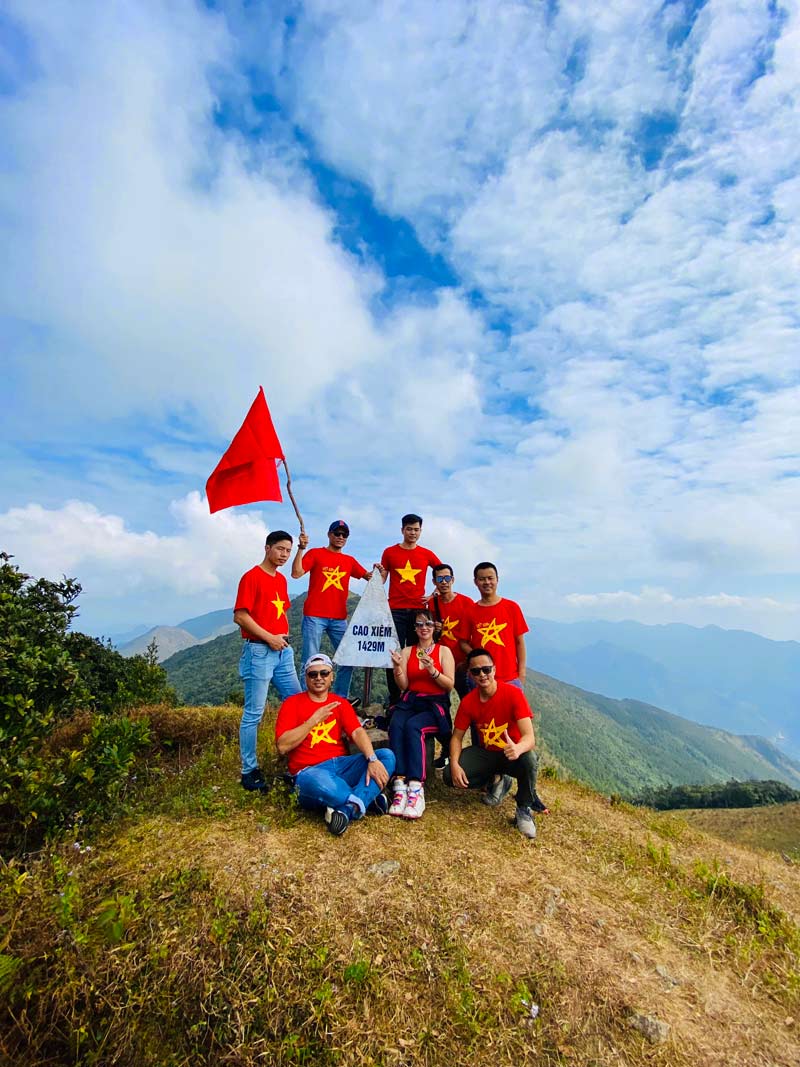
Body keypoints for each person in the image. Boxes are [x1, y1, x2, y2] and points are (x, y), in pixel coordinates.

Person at [275, 654, 395, 836]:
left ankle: (348, 809)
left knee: (386, 756)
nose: (318, 678)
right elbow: (283, 746)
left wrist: (372, 759)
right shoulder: (292, 704)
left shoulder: (340, 704)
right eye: (313, 674)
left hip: (341, 766)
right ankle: (365, 800)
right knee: (317, 782)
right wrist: (313, 721)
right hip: (309, 771)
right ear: (306, 678)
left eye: (324, 673)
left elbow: (357, 732)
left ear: (332, 677)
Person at [444, 649, 546, 840]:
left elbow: (530, 738)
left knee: (529, 759)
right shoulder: (468, 702)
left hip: (511, 754)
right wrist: (455, 764)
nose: (482, 675)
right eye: (476, 671)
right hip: (487, 753)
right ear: (470, 675)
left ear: (494, 669)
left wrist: (518, 748)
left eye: (486, 669)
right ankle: (495, 781)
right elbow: (457, 737)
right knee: (450, 776)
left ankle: (523, 809)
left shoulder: (513, 694)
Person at [234, 530, 302, 792]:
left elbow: (280, 612)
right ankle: (249, 770)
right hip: (259, 651)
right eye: (280, 549)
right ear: (267, 548)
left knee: (297, 702)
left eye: (288, 551)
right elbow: (241, 616)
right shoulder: (251, 577)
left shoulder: (281, 580)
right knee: (254, 712)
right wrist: (269, 638)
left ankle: (297, 761)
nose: (284, 555)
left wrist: (281, 639)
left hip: (283, 650)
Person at [291, 519, 374, 700]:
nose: (340, 537)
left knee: (348, 658)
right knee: (310, 661)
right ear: (329, 535)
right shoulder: (316, 553)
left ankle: (340, 698)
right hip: (314, 616)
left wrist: (379, 571)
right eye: (337, 533)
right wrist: (301, 548)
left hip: (339, 618)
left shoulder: (349, 561)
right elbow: (296, 573)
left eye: (344, 535)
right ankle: (306, 700)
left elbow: (370, 577)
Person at [386, 610, 454, 820]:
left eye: (428, 624)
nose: (424, 628)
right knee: (396, 724)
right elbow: (404, 685)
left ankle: (416, 787)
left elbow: (449, 685)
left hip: (434, 705)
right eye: (419, 624)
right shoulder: (408, 651)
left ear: (434, 627)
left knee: (414, 727)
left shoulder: (443, 651)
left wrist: (433, 670)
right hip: (412, 701)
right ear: (414, 628)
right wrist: (397, 668)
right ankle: (400, 784)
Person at [381, 514, 441, 702]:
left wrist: (434, 594)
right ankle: (394, 698)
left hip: (418, 611)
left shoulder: (426, 554)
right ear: (402, 530)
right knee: (393, 654)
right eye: (409, 529)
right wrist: (378, 574)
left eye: (416, 529)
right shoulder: (389, 552)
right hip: (395, 610)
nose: (412, 533)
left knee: (418, 652)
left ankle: (417, 694)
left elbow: (443, 572)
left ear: (420, 531)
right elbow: (382, 579)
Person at [460, 561, 528, 687]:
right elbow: (463, 643)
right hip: (480, 678)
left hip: (510, 677)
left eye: (490, 578)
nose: (487, 582)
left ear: (497, 579)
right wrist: (477, 657)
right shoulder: (469, 611)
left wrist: (522, 673)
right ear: (475, 582)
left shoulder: (512, 607)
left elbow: (520, 642)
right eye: (482, 579)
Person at [425, 563, 472, 699]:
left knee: (468, 699)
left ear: (453, 580)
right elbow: (428, 633)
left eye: (447, 578)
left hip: (462, 663)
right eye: (440, 579)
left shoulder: (466, 603)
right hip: (442, 663)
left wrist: (469, 661)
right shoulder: (432, 604)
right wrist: (434, 629)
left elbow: (474, 632)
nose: (444, 582)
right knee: (442, 700)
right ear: (434, 582)